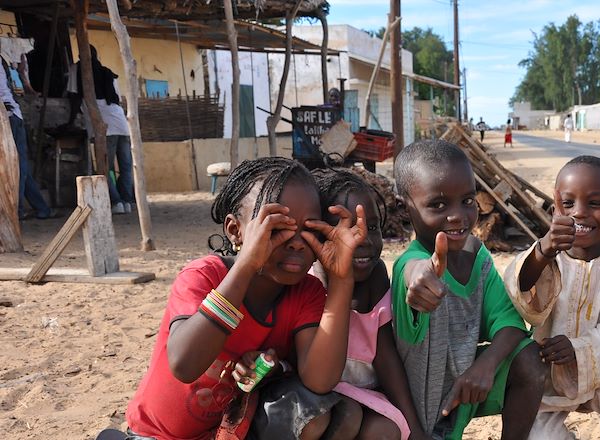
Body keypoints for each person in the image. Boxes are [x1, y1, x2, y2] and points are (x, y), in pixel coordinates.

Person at [123, 157, 367, 440]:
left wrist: (340, 280)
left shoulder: (306, 293)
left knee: (331, 412)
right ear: (235, 231)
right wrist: (246, 266)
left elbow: (320, 380)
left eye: (309, 228)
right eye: (277, 228)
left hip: (231, 432)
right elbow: (184, 364)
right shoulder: (204, 276)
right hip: (156, 435)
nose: (297, 241)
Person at [392, 139, 546, 439]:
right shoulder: (410, 263)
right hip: (414, 416)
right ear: (404, 206)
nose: (458, 216)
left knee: (529, 359)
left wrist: (485, 366)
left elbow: (510, 323)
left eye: (467, 200)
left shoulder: (477, 255)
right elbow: (412, 274)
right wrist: (419, 280)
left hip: (464, 393)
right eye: (438, 204)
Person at [504, 155, 600, 439]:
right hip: (547, 374)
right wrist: (543, 252)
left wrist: (580, 349)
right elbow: (520, 290)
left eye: (594, 204)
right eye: (568, 204)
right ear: (555, 208)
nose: (579, 213)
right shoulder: (545, 253)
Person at [308, 168, 428, 440]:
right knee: (347, 416)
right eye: (348, 230)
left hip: (366, 392)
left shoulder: (375, 276)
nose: (363, 241)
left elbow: (384, 356)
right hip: (318, 394)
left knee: (386, 431)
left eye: (371, 228)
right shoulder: (310, 280)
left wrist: (416, 430)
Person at [66, 46, 135, 215]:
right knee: (125, 166)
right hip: (120, 122)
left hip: (103, 125)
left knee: (105, 167)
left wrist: (70, 121)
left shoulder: (77, 69)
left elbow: (74, 96)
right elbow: (117, 99)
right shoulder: (108, 72)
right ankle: (127, 202)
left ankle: (116, 201)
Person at [2, 56, 54, 220]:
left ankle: (16, 211)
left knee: (17, 167)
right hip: (11, 115)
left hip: (9, 116)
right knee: (20, 165)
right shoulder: (4, 62)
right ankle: (41, 208)